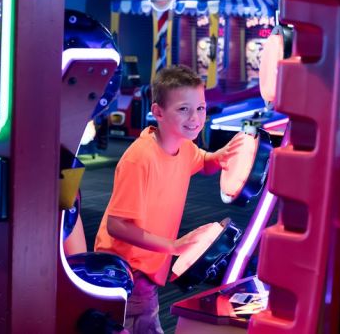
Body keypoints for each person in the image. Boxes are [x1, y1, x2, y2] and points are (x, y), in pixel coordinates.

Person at [94, 64, 244, 334]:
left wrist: (220, 156)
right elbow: (117, 225)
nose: (195, 118)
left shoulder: (183, 146)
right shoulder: (140, 159)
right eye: (183, 109)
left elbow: (203, 162)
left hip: (147, 266)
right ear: (158, 112)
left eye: (201, 108)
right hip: (127, 269)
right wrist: (173, 246)